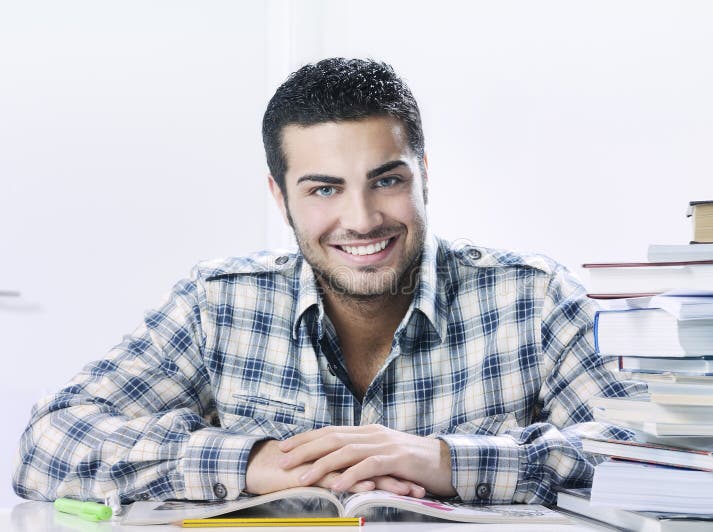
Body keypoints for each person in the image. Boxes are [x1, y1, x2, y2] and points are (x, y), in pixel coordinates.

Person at [13, 58, 641, 507]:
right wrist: (257, 463)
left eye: (387, 180)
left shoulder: (531, 298)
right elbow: (48, 444)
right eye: (324, 189)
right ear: (280, 198)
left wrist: (447, 460)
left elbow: (645, 450)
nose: (362, 219)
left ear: (425, 174)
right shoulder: (218, 305)